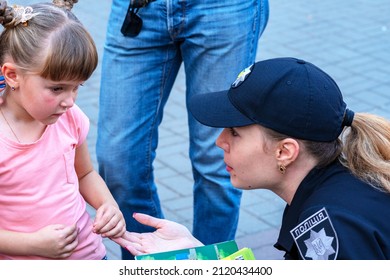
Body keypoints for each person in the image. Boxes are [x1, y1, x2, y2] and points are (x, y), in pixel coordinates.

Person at [116, 57, 390, 260]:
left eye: (234, 132)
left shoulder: (333, 230)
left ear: (285, 151)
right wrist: (198, 256)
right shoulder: (340, 189)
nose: (219, 141)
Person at [96, 0, 270, 259]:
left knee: (218, 161)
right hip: (140, 8)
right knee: (119, 161)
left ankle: (209, 266)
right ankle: (154, 263)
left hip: (223, 8)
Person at [0, 0, 127, 259]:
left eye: (77, 87)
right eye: (57, 88)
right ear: (13, 76)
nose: (70, 101)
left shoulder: (69, 117)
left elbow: (85, 174)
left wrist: (107, 204)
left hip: (90, 257)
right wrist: (31, 244)